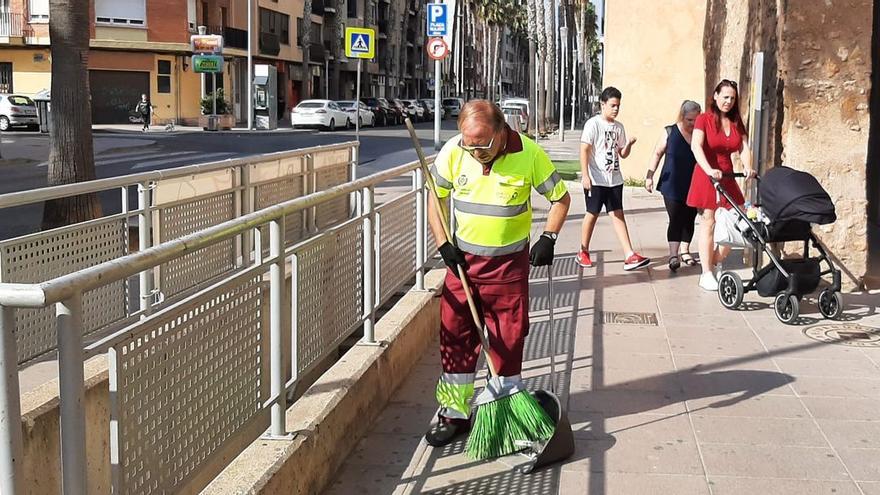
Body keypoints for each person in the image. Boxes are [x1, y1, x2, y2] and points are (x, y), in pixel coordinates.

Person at [425, 100, 571, 447]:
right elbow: (437, 198)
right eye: (469, 145)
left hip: (507, 269)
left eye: (482, 144)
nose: (475, 153)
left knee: (507, 341)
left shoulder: (529, 153)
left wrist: (548, 237)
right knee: (455, 337)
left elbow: (561, 199)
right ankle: (454, 413)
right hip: (463, 267)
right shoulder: (454, 151)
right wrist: (444, 244)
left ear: (502, 130)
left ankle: (502, 414)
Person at [686, 79, 756, 291]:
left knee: (738, 220)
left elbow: (743, 147)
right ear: (715, 96)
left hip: (727, 176)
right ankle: (706, 272)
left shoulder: (735, 121)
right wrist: (709, 170)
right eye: (725, 96)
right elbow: (696, 146)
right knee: (709, 221)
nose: (728, 101)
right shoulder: (703, 119)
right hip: (707, 174)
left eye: (732, 98)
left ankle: (715, 259)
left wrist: (748, 167)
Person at [576, 86, 650, 271]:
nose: (616, 109)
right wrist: (585, 176)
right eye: (613, 105)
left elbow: (622, 153)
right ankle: (583, 251)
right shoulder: (593, 124)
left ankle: (629, 254)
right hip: (596, 179)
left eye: (618, 106)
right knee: (591, 214)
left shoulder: (619, 127)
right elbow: (584, 149)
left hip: (614, 180)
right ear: (603, 104)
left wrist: (629, 145)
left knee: (618, 214)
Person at [645, 100, 702, 272]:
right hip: (671, 184)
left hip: (693, 183)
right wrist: (649, 176)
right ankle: (673, 254)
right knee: (676, 217)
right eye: (689, 120)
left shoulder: (700, 134)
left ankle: (685, 250)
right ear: (682, 116)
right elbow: (657, 153)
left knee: (690, 217)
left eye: (696, 120)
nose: (692, 124)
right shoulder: (670, 131)